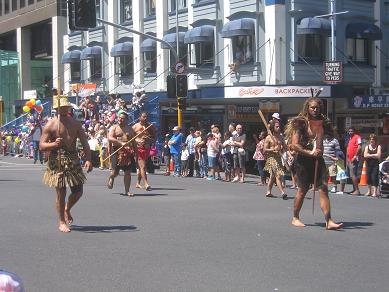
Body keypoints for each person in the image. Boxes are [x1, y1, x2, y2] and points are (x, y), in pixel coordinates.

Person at [285, 97, 342, 230]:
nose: (315, 110)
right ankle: (295, 217)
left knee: (323, 188)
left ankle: (329, 220)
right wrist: (310, 152)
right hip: (303, 161)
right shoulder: (300, 123)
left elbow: (332, 135)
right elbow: (294, 145)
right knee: (303, 190)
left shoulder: (323, 123)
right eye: (312, 107)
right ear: (307, 108)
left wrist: (330, 132)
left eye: (317, 107)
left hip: (318, 160)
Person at [40, 95, 92, 233]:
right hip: (57, 161)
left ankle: (66, 208)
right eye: (61, 107)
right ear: (57, 108)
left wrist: (88, 159)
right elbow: (41, 145)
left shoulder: (75, 124)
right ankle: (61, 221)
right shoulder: (51, 124)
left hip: (73, 160)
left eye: (66, 106)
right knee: (61, 193)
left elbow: (85, 143)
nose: (64, 108)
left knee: (78, 191)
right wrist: (53, 144)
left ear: (68, 107)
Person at [107, 111, 136, 197]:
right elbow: (110, 138)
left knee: (127, 172)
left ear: (127, 120)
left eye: (122, 118)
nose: (120, 119)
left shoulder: (130, 129)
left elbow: (134, 142)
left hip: (127, 152)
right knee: (115, 172)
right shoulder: (114, 127)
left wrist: (136, 154)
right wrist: (120, 143)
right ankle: (111, 177)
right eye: (119, 118)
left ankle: (127, 191)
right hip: (116, 150)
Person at [132, 112, 156, 191]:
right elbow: (129, 137)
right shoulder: (135, 126)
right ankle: (146, 183)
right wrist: (136, 141)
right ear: (140, 118)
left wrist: (149, 139)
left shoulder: (150, 126)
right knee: (143, 166)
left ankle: (138, 183)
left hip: (147, 148)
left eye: (146, 117)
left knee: (141, 166)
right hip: (138, 148)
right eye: (144, 117)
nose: (145, 118)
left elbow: (154, 138)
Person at [263, 121, 287, 199]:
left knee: (272, 176)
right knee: (278, 175)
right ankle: (282, 192)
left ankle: (268, 191)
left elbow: (285, 147)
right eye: (276, 126)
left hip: (278, 158)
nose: (278, 127)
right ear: (273, 128)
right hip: (271, 158)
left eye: (279, 126)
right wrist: (273, 149)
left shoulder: (281, 137)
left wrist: (289, 154)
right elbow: (264, 149)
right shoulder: (269, 137)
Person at [346, 127, 362, 195]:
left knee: (353, 175)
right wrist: (347, 158)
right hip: (349, 159)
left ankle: (357, 190)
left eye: (351, 131)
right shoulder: (350, 138)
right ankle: (354, 189)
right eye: (349, 131)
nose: (350, 132)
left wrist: (355, 157)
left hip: (354, 159)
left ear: (354, 131)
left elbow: (359, 147)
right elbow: (348, 148)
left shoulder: (357, 137)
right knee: (351, 175)